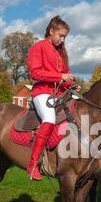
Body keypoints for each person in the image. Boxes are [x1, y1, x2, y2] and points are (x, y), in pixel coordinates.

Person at [26, 15, 80, 181]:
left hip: (59, 94)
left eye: (65, 37)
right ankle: (33, 164)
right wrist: (59, 77)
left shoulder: (61, 52)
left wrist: (71, 86)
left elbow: (64, 78)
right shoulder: (39, 46)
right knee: (49, 118)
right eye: (60, 36)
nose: (62, 40)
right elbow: (34, 72)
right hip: (42, 92)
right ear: (51, 31)